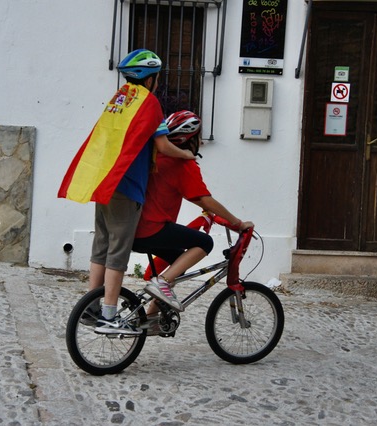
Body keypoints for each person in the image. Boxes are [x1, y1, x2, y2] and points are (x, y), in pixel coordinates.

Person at [58, 49, 195, 335]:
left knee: (102, 245)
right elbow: (162, 146)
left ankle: (89, 309)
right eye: (157, 77)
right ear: (151, 78)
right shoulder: (149, 103)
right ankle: (108, 313)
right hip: (128, 185)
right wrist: (185, 155)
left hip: (104, 182)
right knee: (118, 252)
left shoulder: (119, 100)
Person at [132, 110, 254, 313]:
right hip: (153, 229)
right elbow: (205, 201)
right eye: (199, 137)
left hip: (135, 231)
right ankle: (162, 283)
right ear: (189, 139)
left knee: (178, 262)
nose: (202, 142)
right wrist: (237, 223)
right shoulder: (182, 164)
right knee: (205, 242)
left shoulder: (156, 155)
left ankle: (151, 317)